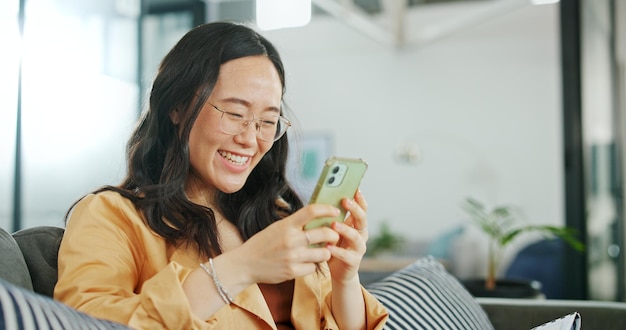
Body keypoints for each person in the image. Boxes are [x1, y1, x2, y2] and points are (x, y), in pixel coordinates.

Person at [54, 21, 389, 329]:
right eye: (235, 113)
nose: (250, 138)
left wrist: (344, 277)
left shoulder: (277, 218)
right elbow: (84, 323)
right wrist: (239, 268)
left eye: (267, 121)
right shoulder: (112, 217)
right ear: (176, 107)